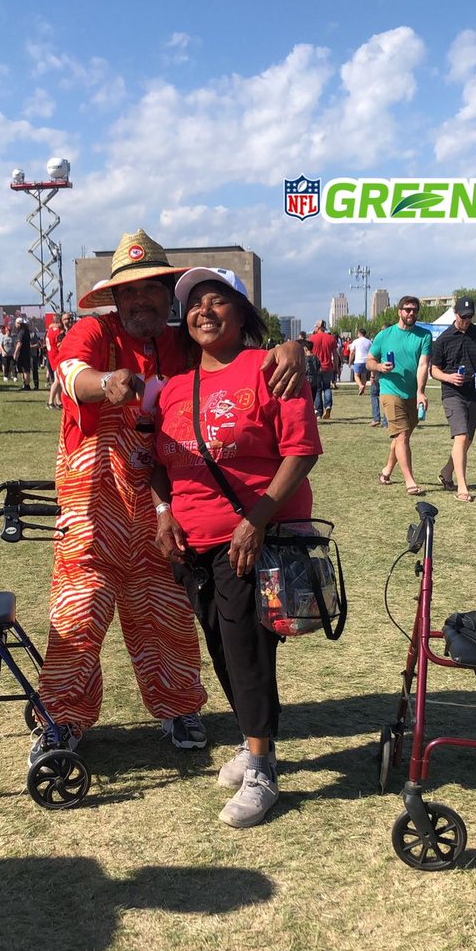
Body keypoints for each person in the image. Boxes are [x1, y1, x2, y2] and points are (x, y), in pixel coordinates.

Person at [32, 228, 306, 766]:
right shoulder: (95, 331)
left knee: (167, 616)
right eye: (128, 292)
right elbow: (70, 373)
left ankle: (178, 707)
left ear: (166, 294)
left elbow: (244, 357)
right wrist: (105, 380)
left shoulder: (183, 341)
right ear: (115, 297)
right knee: (78, 613)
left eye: (150, 290)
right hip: (95, 505)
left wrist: (291, 347)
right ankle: (62, 719)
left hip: (168, 505)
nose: (139, 301)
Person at [152, 267, 322, 827]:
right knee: (224, 650)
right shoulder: (176, 385)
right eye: (195, 304)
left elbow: (301, 450)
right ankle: (257, 746)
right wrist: (163, 511)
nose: (204, 311)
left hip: (252, 539)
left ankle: (261, 769)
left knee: (246, 653)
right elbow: (156, 460)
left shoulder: (269, 368)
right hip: (192, 545)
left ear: (243, 314)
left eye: (218, 301)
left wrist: (255, 520)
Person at [430, 295, 476, 502]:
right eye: (463, 316)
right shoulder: (444, 339)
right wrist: (448, 377)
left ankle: (447, 472)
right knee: (461, 435)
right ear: (455, 314)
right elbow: (434, 370)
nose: (466, 320)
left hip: (475, 393)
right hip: (452, 393)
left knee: (467, 439)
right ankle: (463, 487)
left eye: (470, 316)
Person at [367, 295, 431, 495]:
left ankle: (386, 471)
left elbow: (423, 365)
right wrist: (379, 367)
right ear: (399, 312)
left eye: (414, 310)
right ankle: (410, 481)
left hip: (412, 394)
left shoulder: (424, 336)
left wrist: (420, 392)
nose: (411, 313)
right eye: (407, 309)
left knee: (401, 437)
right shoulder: (384, 336)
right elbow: (370, 360)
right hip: (390, 391)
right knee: (402, 436)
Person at [309, 320, 337, 419]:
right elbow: (335, 354)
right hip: (328, 366)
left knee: (317, 390)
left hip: (316, 367)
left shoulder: (312, 338)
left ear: (318, 327)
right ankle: (328, 406)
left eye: (315, 327)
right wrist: (336, 367)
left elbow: (309, 354)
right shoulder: (331, 338)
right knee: (327, 387)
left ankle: (318, 411)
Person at [349, 327, 372, 396]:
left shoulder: (356, 341)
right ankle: (363, 389)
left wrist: (350, 361)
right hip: (366, 360)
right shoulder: (369, 341)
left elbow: (352, 352)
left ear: (360, 333)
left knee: (356, 375)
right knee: (364, 375)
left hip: (358, 360)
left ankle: (360, 385)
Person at [13, 317, 31, 389]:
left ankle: (26, 384)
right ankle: (26, 384)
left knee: (25, 369)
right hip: (27, 352)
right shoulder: (26, 331)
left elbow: (19, 343)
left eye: (16, 323)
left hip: (23, 353)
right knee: (26, 369)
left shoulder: (21, 332)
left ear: (19, 324)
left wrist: (15, 352)